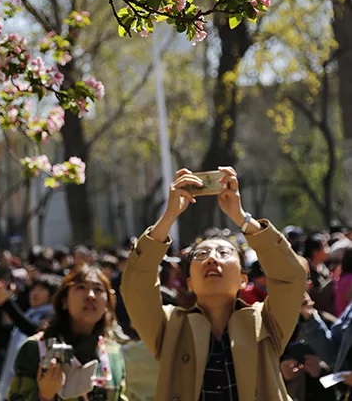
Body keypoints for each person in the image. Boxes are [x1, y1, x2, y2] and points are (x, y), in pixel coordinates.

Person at [121, 166, 307, 401]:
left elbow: (291, 277)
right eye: (200, 255)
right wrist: (169, 216)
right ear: (189, 283)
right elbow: (136, 287)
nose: (211, 258)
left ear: (243, 279)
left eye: (223, 252)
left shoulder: (266, 322)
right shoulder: (170, 327)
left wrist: (242, 217)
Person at [7, 265, 127, 401]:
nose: (91, 296)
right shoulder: (36, 349)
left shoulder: (113, 352)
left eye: (98, 289)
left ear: (108, 305)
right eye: (81, 287)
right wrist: (44, 396)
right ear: (64, 301)